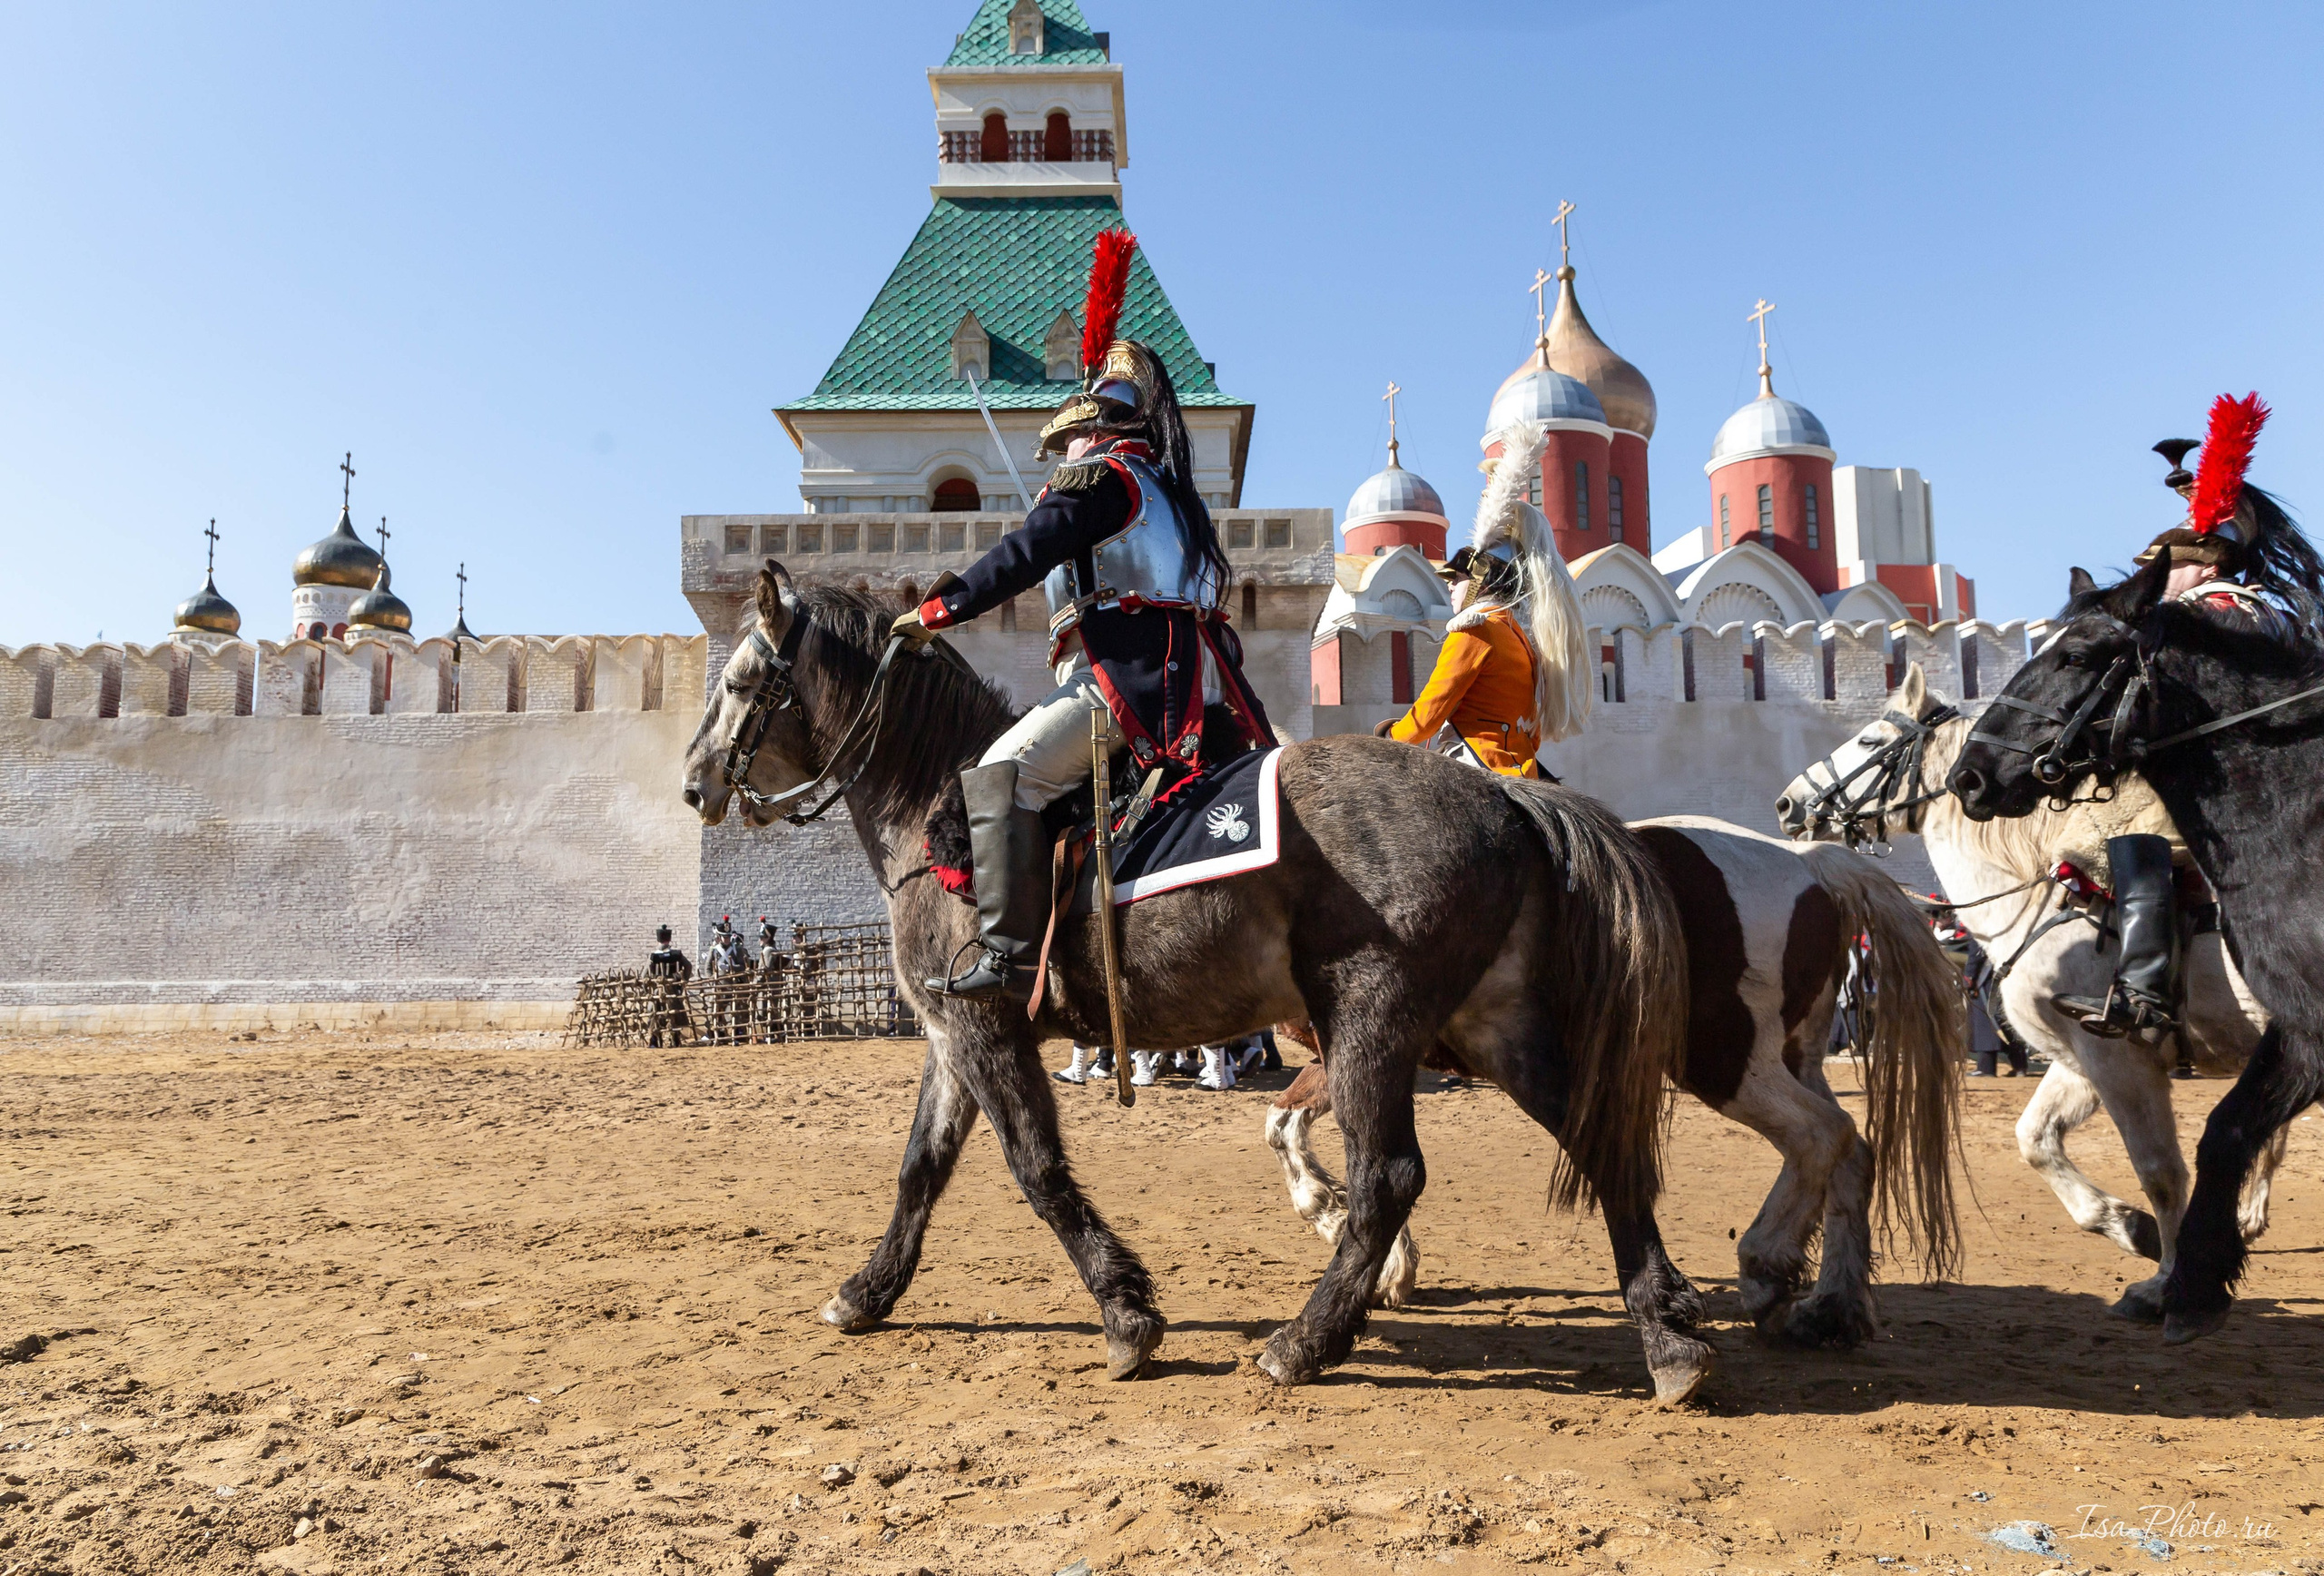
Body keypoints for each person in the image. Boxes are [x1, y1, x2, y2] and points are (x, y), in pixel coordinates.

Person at [890, 231, 1275, 1003]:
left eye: (1062, 440)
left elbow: (1028, 550)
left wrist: (941, 608)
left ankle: (1009, 958)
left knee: (1000, 776)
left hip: (1118, 683)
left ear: (1092, 429)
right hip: (1193, 685)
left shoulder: (1101, 479)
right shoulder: (1170, 498)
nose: (1057, 455)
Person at [2053, 396, 2324, 1038]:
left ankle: (2144, 990)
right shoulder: (2207, 610)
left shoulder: (2221, 608)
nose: (2154, 578)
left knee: (2136, 837)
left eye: (2163, 567)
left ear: (2202, 563)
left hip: (2244, 782)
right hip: (2227, 770)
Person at [1374, 419, 1591, 776]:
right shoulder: (1517, 635)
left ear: (1480, 581)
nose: (1450, 586)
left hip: (1478, 767)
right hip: (1521, 770)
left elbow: (1431, 711)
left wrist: (1388, 740)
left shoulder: (1475, 631)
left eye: (1457, 578)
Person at [646, 923, 693, 1049]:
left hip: (659, 990)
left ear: (658, 940)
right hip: (671, 989)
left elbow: (645, 975)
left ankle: (656, 1040)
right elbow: (688, 967)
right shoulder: (677, 954)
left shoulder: (653, 956)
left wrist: (650, 986)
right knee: (667, 1012)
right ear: (669, 940)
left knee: (654, 1012)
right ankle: (671, 1038)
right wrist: (681, 980)